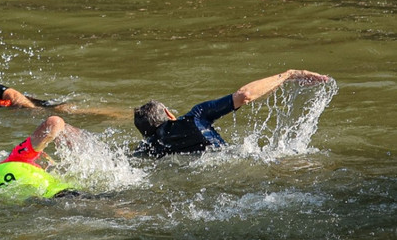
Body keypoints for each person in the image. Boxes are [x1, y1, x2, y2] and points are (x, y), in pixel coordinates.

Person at [133, 69, 331, 158]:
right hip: (237, 162)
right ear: (168, 114)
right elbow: (245, 95)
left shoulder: (148, 150)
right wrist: (289, 75)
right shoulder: (195, 117)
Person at [0, 115, 87, 199]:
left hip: (53, 204)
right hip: (69, 192)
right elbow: (54, 122)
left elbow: (54, 122)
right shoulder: (15, 159)